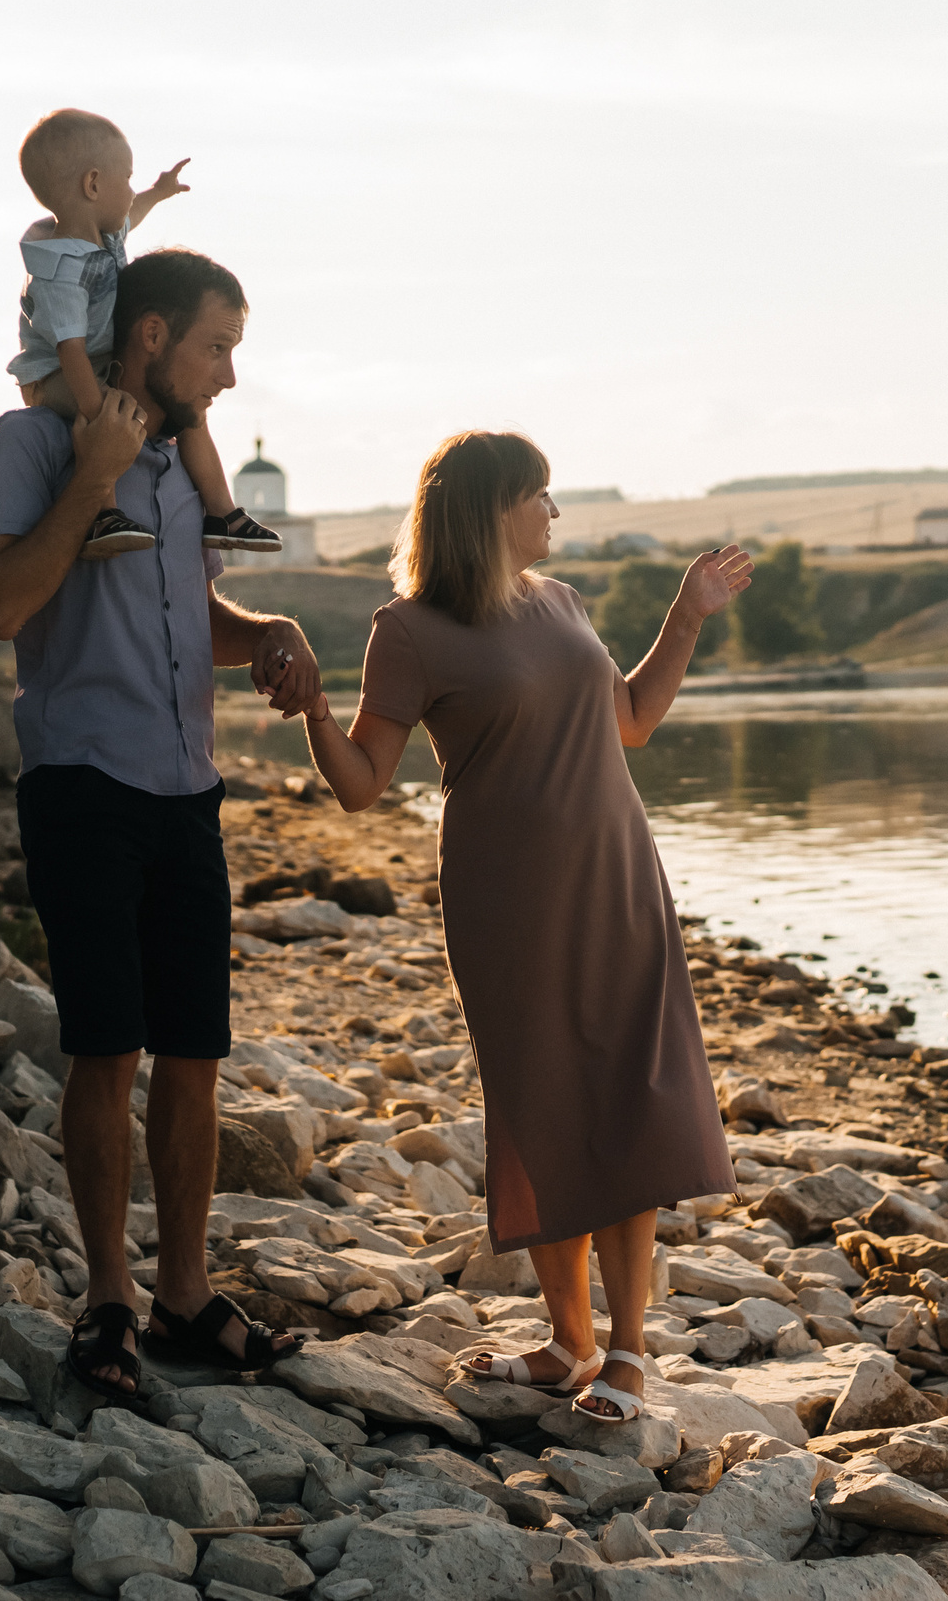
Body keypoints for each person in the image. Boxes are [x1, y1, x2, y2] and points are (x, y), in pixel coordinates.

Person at [299, 431, 750, 1423]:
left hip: (617, 877)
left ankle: (627, 1351)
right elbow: (364, 786)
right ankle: (567, 1342)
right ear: (488, 509)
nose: (554, 514)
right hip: (507, 897)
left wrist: (685, 615)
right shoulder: (408, 630)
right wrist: (312, 717)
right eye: (539, 496)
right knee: (545, 1104)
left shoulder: (562, 604)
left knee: (630, 1096)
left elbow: (628, 721)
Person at [0, 247, 318, 1399]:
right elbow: (7, 602)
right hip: (81, 783)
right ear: (156, 336)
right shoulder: (29, 445)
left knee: (195, 1055)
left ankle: (182, 1296)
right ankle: (109, 1301)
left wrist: (261, 627)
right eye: (217, 346)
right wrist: (94, 475)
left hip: (186, 790)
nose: (227, 376)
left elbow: (184, 610)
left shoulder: (182, 469)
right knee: (106, 1049)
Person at [7, 108, 280, 560]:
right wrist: (100, 411)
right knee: (106, 425)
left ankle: (223, 514)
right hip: (55, 376)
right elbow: (69, 350)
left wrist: (158, 191)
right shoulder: (58, 271)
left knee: (190, 416)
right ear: (93, 185)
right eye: (128, 178)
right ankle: (104, 515)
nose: (132, 191)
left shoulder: (104, 237)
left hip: (92, 361)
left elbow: (132, 212)